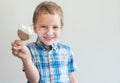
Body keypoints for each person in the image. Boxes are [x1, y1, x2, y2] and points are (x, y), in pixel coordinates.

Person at [11, 1, 78, 83]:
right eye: (43, 26)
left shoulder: (67, 50)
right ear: (35, 28)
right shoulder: (29, 50)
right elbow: (34, 80)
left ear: (60, 28)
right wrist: (26, 59)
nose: (49, 32)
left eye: (55, 27)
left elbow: (71, 76)